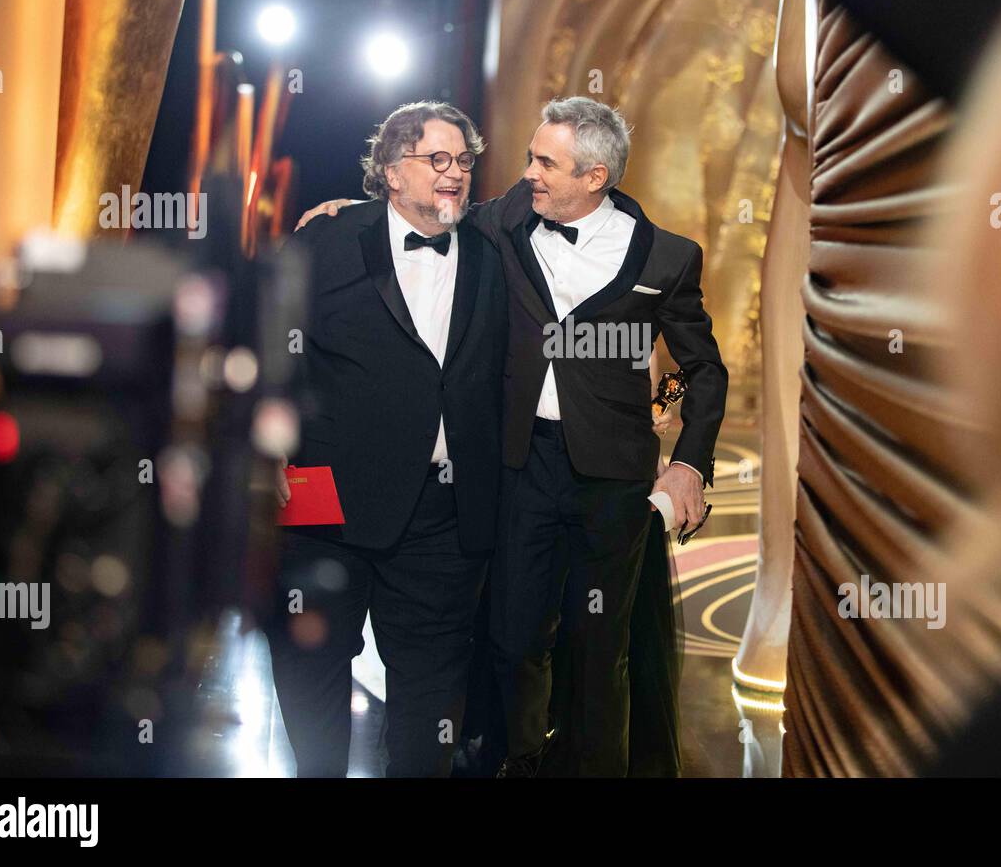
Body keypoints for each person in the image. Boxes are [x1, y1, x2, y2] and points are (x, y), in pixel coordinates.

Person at [297, 96, 728, 777]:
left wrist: (690, 464)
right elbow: (418, 210)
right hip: (517, 466)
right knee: (510, 642)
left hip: (612, 477)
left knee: (600, 650)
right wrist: (339, 212)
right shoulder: (502, 223)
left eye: (544, 162)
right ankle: (516, 764)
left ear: (594, 177)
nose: (523, 172)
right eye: (526, 156)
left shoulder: (664, 257)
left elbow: (703, 369)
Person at [269, 101, 508, 777]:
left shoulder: (495, 254)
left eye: (463, 161)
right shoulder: (325, 240)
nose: (454, 173)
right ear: (391, 172)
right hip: (324, 506)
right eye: (437, 160)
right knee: (310, 662)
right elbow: (262, 344)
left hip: (442, 516)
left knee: (431, 686)